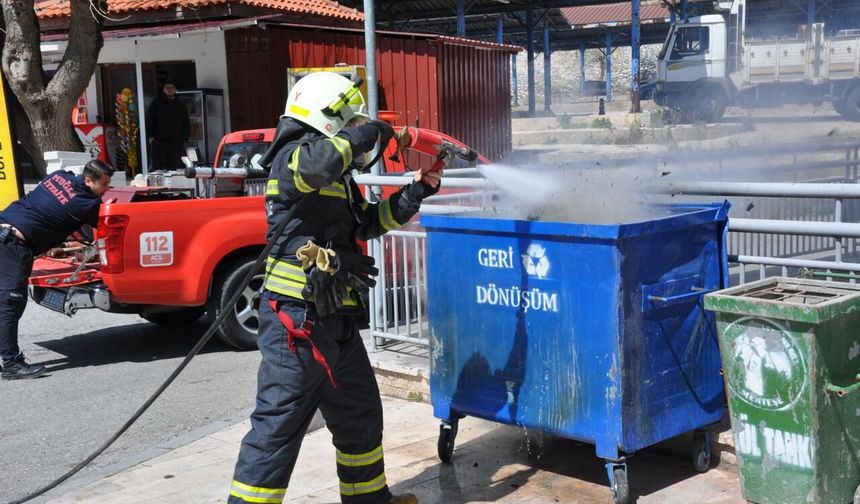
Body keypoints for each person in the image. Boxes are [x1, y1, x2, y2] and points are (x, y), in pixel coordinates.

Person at [228, 72, 441, 504]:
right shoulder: (291, 158)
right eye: (345, 122)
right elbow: (316, 165)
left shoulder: (337, 176)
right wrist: (365, 134)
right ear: (327, 117)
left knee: (360, 415)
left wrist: (418, 189)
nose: (351, 131)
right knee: (277, 431)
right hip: (296, 325)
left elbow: (367, 222)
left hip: (336, 321)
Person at [0, 159, 114, 380]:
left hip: (3, 228)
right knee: (10, 304)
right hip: (13, 246)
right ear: (88, 180)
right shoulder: (85, 205)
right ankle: (12, 363)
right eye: (105, 184)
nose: (107, 190)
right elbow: (104, 225)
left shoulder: (59, 176)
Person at [147, 81, 191, 170]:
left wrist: (185, 137)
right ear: (163, 90)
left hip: (177, 143)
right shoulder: (156, 104)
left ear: (175, 89)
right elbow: (150, 120)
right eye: (167, 88)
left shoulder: (181, 105)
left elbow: (186, 122)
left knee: (177, 168)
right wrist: (151, 136)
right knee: (160, 169)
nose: (170, 90)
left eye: (172, 88)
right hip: (160, 143)